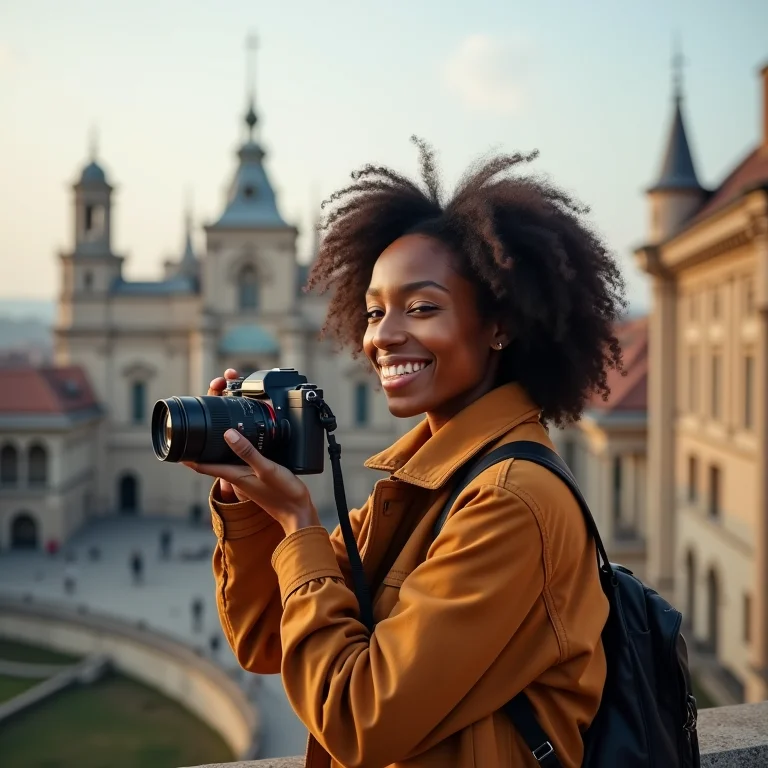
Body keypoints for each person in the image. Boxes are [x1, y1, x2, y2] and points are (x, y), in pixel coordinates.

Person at [183, 139, 625, 768]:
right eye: (372, 310)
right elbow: (267, 639)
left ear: (499, 324)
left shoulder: (508, 501)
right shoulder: (421, 482)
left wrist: (297, 523)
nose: (384, 336)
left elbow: (362, 721)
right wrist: (247, 501)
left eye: (421, 307)